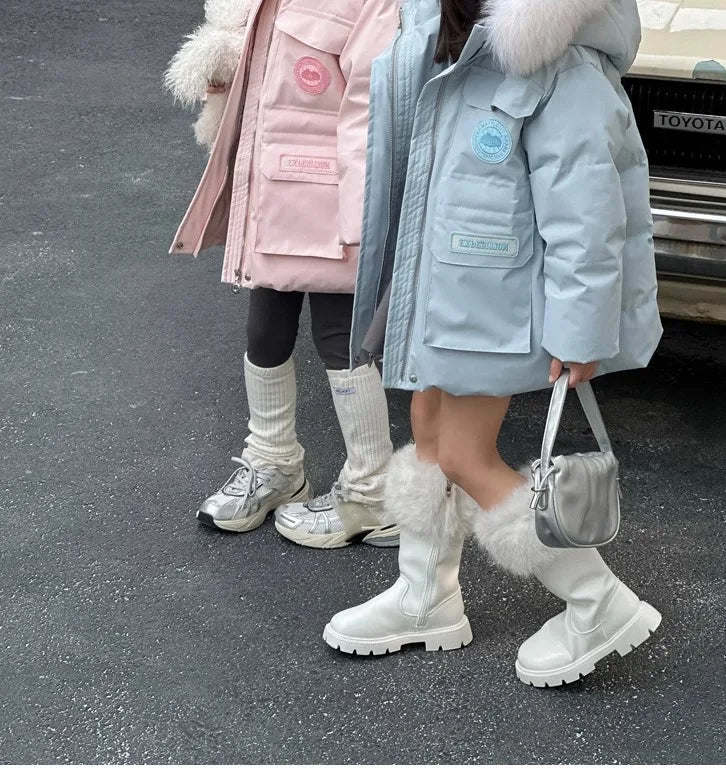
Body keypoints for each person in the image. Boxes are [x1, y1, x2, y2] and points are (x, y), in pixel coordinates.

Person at [323, 0, 665, 686]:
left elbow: (587, 217)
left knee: (462, 453)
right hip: (448, 296)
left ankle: (597, 599)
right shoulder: (451, 41)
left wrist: (580, 331)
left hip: (497, 306)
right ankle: (425, 594)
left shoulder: (560, 62)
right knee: (427, 428)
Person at [165, 0, 400, 547]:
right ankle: (274, 463)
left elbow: (374, 102)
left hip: (335, 199)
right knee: (264, 329)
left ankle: (374, 491)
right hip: (272, 190)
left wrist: (364, 216)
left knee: (341, 337)